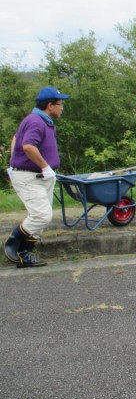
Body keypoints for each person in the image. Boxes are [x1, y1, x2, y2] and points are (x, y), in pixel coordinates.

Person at [4, 87, 70, 268]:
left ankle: (25, 254)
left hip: (41, 176)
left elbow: (17, 137)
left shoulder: (43, 121)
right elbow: (27, 146)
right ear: (50, 105)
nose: (62, 107)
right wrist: (45, 166)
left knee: (40, 217)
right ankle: (12, 241)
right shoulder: (36, 121)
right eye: (60, 104)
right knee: (42, 215)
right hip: (29, 176)